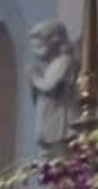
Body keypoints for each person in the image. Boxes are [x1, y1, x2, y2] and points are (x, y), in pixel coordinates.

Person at [28, 20, 77, 151]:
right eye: (34, 48)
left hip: (59, 117)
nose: (36, 53)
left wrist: (35, 77)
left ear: (55, 40)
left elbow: (51, 87)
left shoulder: (64, 61)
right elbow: (36, 98)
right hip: (47, 115)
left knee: (59, 155)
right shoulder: (51, 66)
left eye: (39, 47)